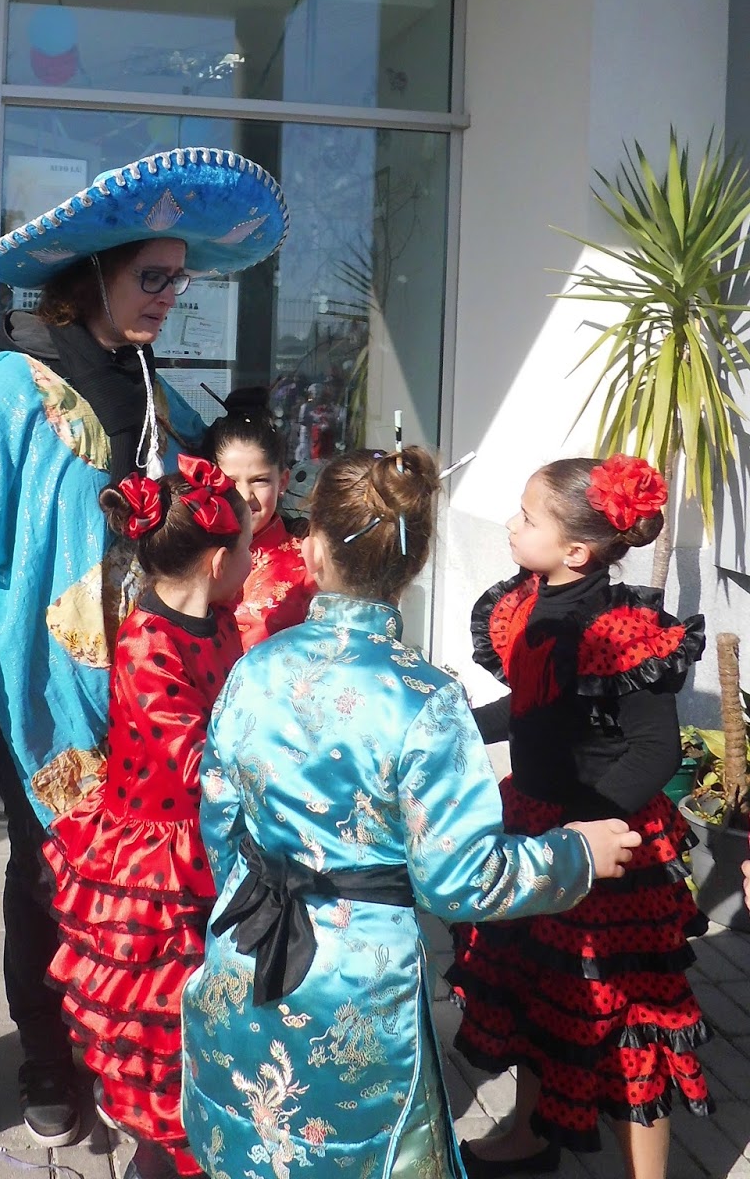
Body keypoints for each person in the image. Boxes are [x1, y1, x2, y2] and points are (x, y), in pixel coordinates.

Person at [0, 147, 289, 1145]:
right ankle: (47, 1056)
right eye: (153, 276)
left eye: (178, 280)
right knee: (47, 867)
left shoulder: (149, 386)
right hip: (37, 682)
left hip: (149, 682)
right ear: (93, 273)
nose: (169, 296)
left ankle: (125, 1045)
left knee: (135, 874)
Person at [180, 446, 643, 1179]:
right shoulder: (425, 698)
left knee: (255, 1145)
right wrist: (575, 853)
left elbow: (220, 816)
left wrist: (248, 901)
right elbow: (460, 880)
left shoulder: (254, 666)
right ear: (415, 563)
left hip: (248, 945)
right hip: (358, 984)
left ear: (313, 549)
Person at [450, 454, 709, 1179]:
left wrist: (588, 833)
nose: (511, 524)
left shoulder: (624, 628)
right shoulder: (526, 604)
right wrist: (455, 726)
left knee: (626, 1015)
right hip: (541, 829)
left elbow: (656, 749)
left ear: (575, 551)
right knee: (539, 990)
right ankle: (531, 1137)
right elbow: (532, 708)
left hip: (607, 840)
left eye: (528, 517)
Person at [44, 457, 252, 1179]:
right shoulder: (146, 642)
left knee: (208, 1012)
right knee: (162, 1021)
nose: (255, 560)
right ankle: (162, 1157)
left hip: (209, 842)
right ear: (219, 562)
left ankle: (196, 1144)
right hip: (157, 867)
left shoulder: (220, 622)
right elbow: (196, 759)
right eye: (248, 548)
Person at [201, 387, 313, 648]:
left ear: (282, 481)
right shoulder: (188, 556)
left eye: (260, 480)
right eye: (230, 482)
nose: (244, 496)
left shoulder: (310, 561)